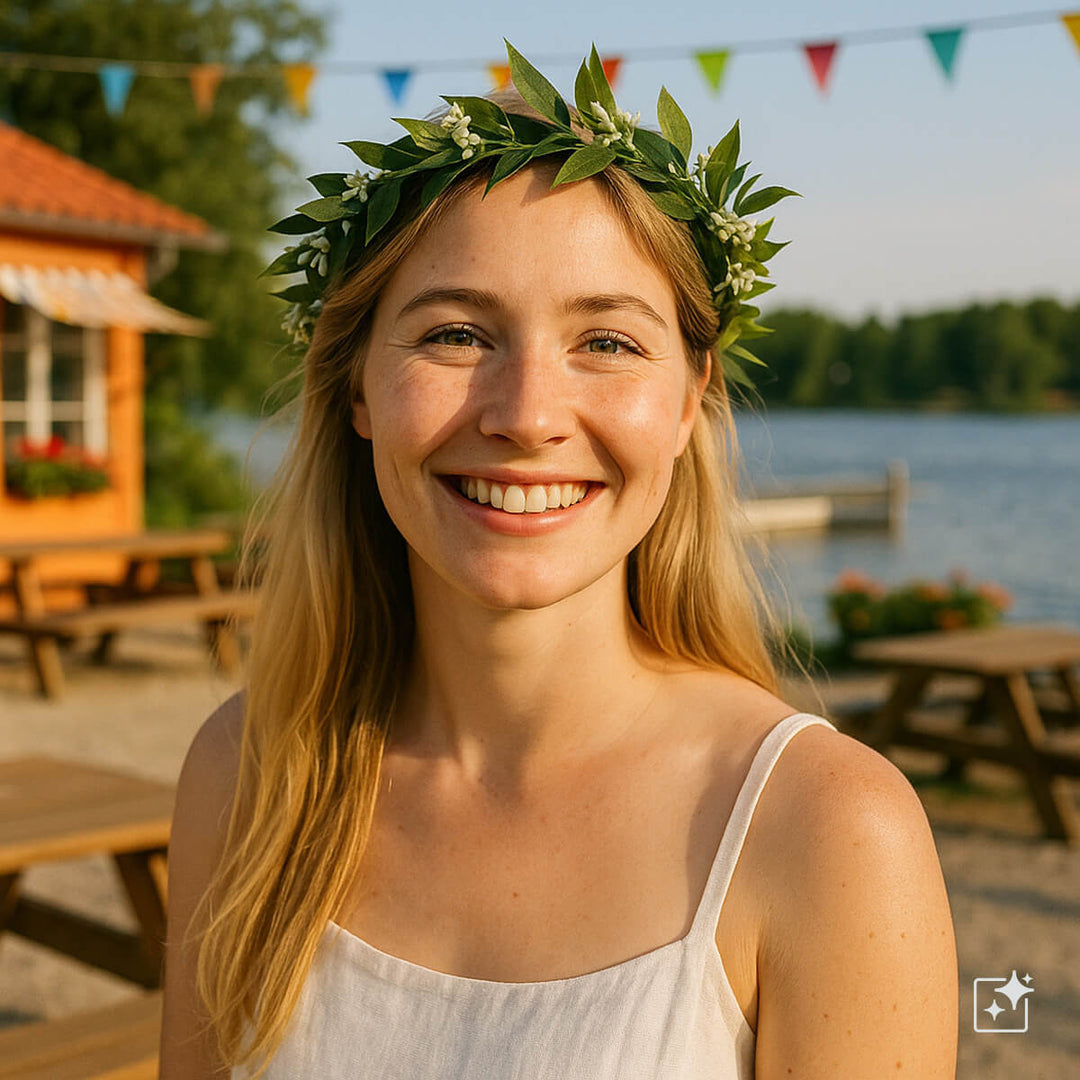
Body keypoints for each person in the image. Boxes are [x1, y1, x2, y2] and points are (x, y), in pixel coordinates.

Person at [159, 45, 958, 1080]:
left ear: (687, 403)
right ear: (356, 390)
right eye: (454, 333)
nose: (528, 416)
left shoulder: (828, 833)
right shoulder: (249, 775)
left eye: (609, 343)